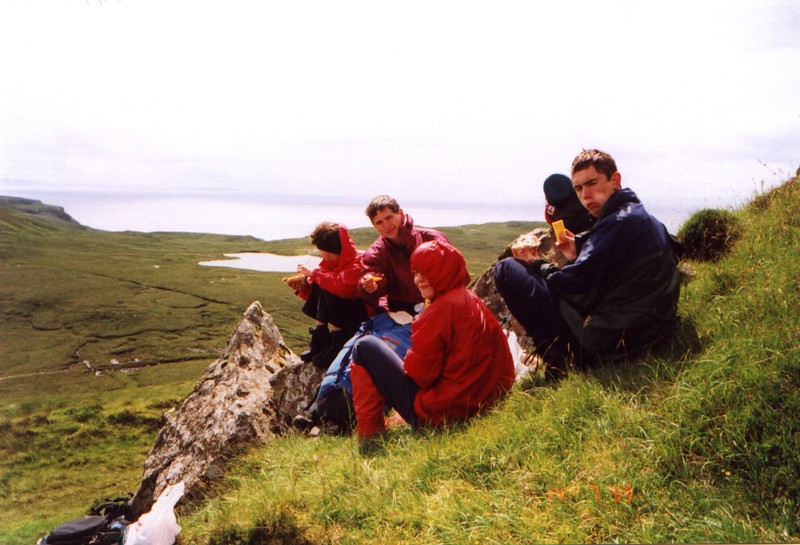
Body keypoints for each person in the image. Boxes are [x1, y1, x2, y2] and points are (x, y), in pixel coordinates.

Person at [494, 149, 681, 376]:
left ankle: (561, 361)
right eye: (578, 188)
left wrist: (536, 262)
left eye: (592, 183)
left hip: (616, 342)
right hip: (654, 328)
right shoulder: (640, 215)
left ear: (615, 180)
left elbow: (568, 285)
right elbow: (623, 252)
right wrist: (580, 247)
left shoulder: (618, 223)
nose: (585, 195)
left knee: (507, 269)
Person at [350, 240, 516, 439]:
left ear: (444, 272)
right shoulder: (469, 298)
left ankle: (370, 432)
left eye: (427, 272)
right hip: (485, 399)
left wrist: (412, 345)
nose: (418, 280)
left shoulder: (441, 309)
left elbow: (420, 376)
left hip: (445, 412)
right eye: (416, 273)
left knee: (365, 346)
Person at [284, 221, 369, 369]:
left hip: (359, 317)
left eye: (329, 256)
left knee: (327, 282)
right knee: (322, 280)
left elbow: (343, 287)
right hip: (346, 315)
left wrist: (314, 274)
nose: (326, 259)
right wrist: (305, 285)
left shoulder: (359, 261)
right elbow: (321, 290)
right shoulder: (335, 261)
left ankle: (339, 341)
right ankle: (321, 336)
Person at [359, 195, 450, 315]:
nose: (386, 225)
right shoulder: (375, 252)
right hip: (400, 311)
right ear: (375, 226)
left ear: (400, 213)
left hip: (438, 305)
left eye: (389, 217)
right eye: (379, 222)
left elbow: (454, 275)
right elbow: (371, 277)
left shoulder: (434, 239)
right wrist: (370, 286)